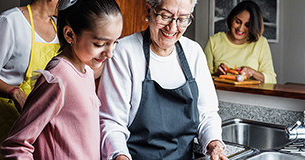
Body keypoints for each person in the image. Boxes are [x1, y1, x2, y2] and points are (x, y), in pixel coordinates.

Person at [98, 0, 228, 159]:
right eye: (165, 16)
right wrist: (120, 156)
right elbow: (112, 123)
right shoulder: (124, 53)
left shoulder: (193, 53)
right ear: (149, 11)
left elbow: (207, 114)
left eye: (182, 19)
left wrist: (215, 144)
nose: (172, 28)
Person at [0, 0, 122, 159]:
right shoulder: (58, 78)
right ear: (70, 35)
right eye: (100, 44)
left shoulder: (87, 71)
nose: (110, 53)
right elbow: (16, 145)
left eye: (115, 42)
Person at [0, 0, 61, 159]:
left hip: (42, 126)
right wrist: (15, 93)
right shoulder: (10, 22)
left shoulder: (59, 27)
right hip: (9, 121)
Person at [204, 0, 277, 84]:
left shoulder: (261, 43)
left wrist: (253, 73)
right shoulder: (213, 41)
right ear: (231, 19)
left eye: (247, 25)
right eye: (238, 22)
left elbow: (272, 80)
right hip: (220, 95)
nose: (240, 28)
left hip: (251, 96)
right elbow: (202, 77)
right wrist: (217, 74)